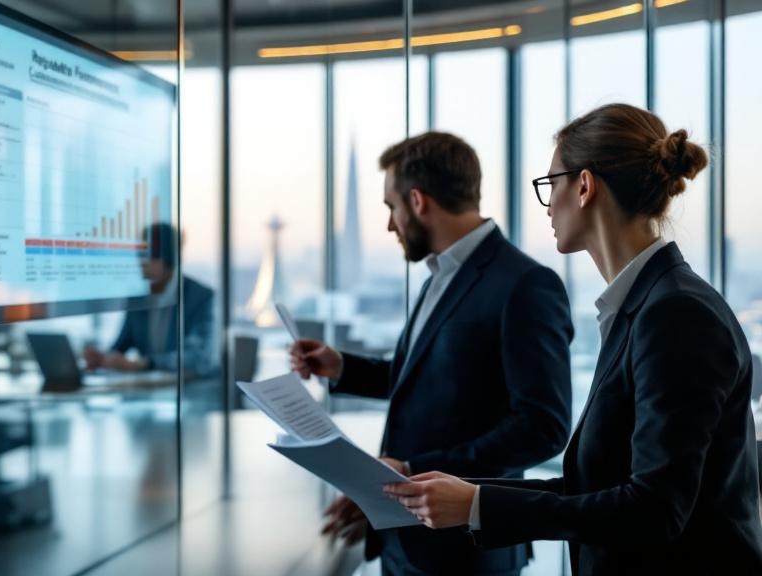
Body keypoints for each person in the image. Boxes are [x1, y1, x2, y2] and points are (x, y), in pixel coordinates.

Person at [384, 104, 762, 574]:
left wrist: (479, 505)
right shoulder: (647, 305)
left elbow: (654, 510)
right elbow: (601, 485)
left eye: (550, 184)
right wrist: (473, 498)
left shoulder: (675, 314)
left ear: (584, 186)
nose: (547, 204)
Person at [290, 132, 573, 575]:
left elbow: (543, 428)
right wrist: (341, 366)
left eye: (391, 207)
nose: (389, 224)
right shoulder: (439, 276)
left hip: (466, 553)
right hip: (405, 542)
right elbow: (431, 381)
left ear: (418, 202)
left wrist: (410, 470)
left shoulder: (524, 285)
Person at [84, 223, 215, 376]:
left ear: (169, 258)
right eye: (140, 255)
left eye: (151, 256)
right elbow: (121, 345)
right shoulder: (138, 299)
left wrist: (145, 364)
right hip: (149, 393)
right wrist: (103, 358)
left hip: (193, 392)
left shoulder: (201, 297)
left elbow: (197, 357)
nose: (142, 263)